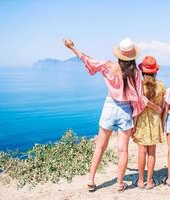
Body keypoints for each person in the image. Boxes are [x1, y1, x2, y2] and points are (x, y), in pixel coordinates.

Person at [63, 38, 162, 192]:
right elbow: (137, 99)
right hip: (126, 110)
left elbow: (88, 60)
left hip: (110, 106)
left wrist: (72, 47)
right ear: (132, 57)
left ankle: (90, 180)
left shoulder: (108, 65)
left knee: (100, 147)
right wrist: (135, 121)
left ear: (119, 54)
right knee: (123, 150)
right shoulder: (135, 73)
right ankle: (120, 183)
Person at [132, 56, 166, 190]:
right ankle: (150, 181)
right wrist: (162, 125)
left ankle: (140, 181)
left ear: (142, 72)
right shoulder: (161, 86)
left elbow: (135, 107)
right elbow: (163, 108)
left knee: (141, 152)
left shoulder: (138, 86)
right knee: (151, 152)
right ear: (155, 72)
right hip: (155, 121)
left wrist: (133, 126)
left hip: (142, 121)